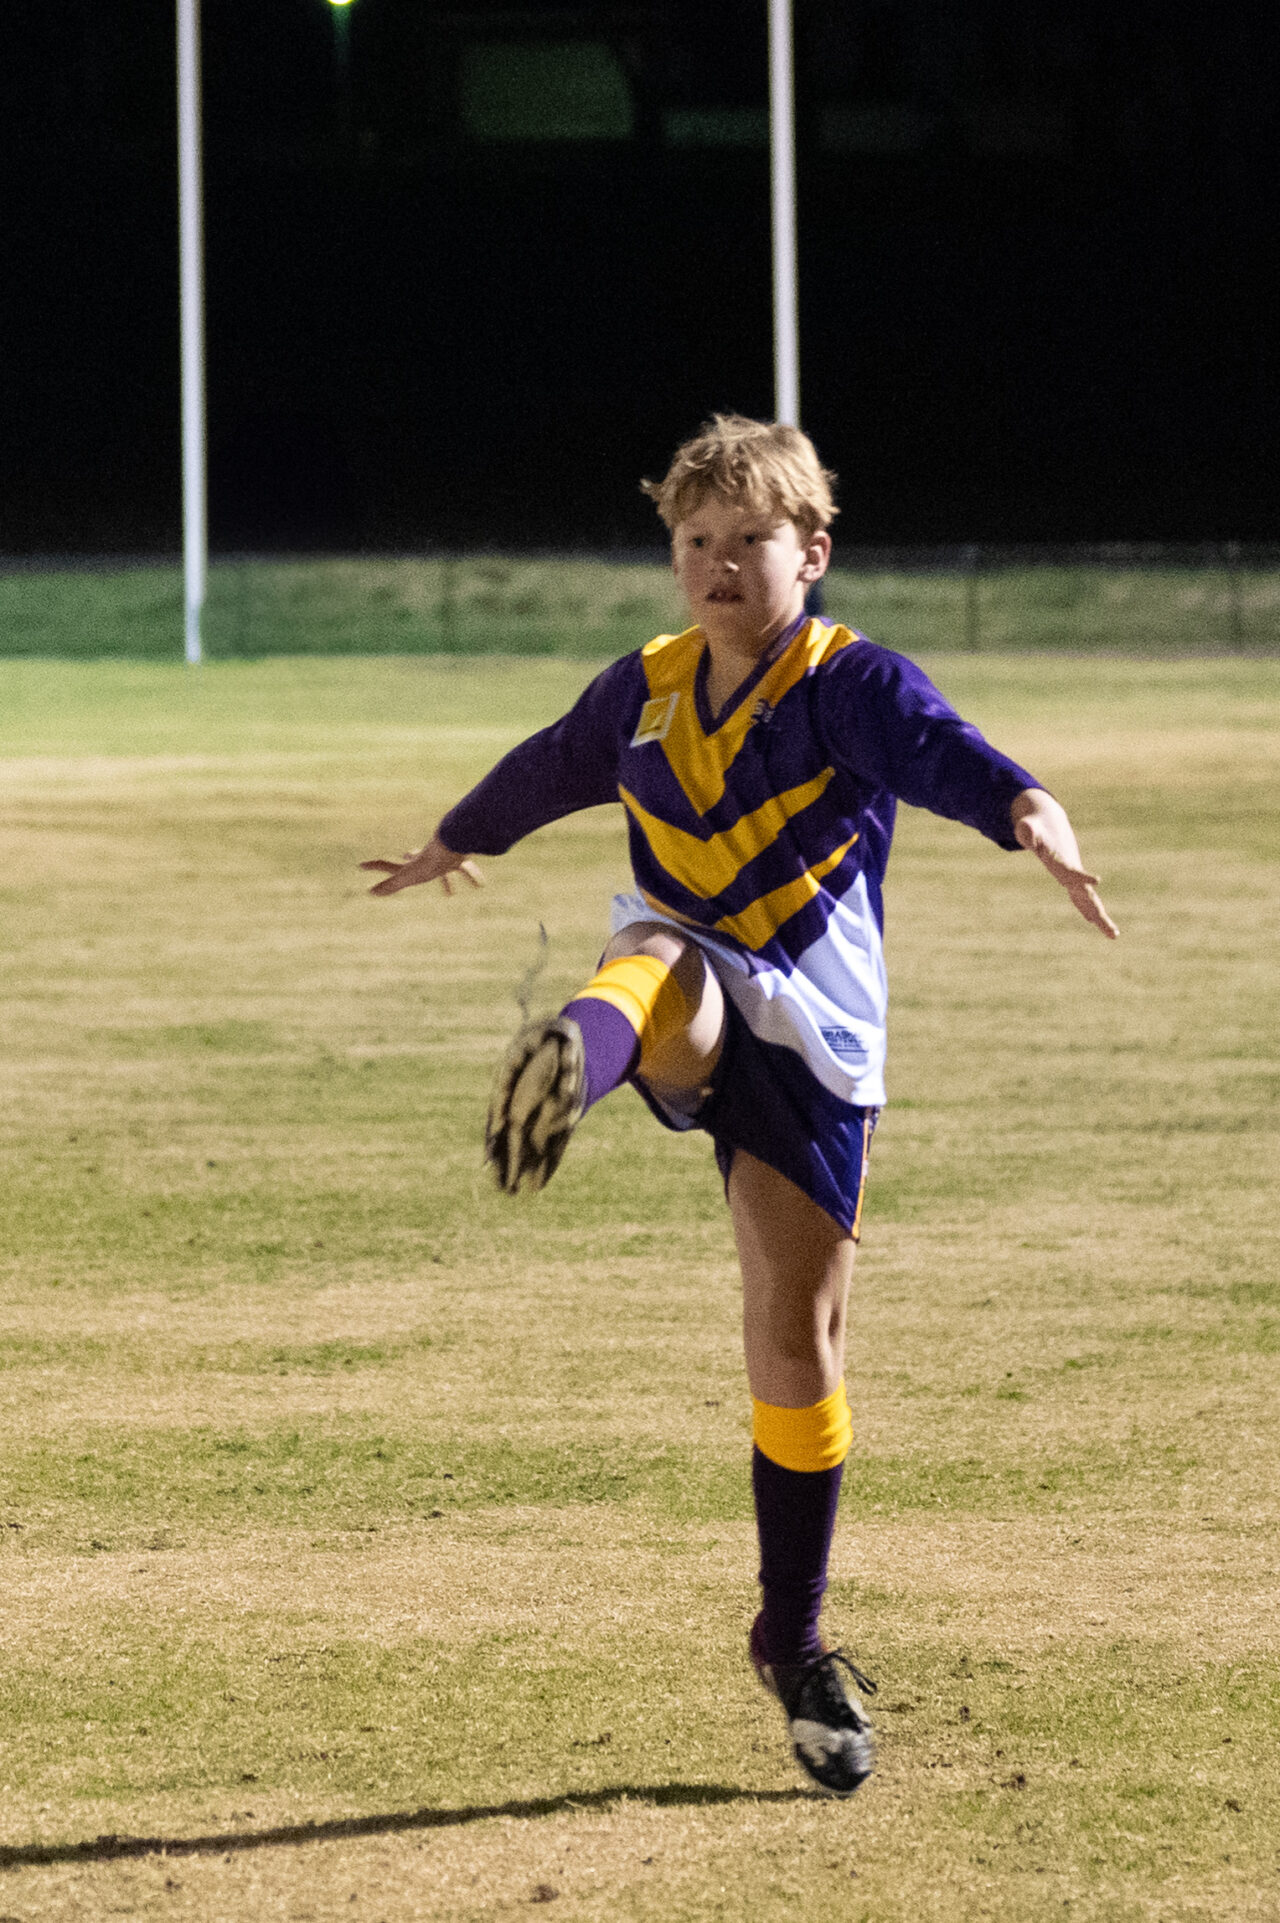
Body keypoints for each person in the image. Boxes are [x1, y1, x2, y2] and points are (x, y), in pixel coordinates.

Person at [362, 415, 1117, 1798]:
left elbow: (941, 748)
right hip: (691, 990)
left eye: (750, 540)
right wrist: (458, 837)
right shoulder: (645, 690)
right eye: (696, 540)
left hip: (816, 1036)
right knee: (655, 954)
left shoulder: (846, 683)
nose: (718, 563)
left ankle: (794, 1638)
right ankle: (577, 1062)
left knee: (796, 1338)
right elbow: (553, 760)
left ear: (811, 553)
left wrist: (1027, 808)